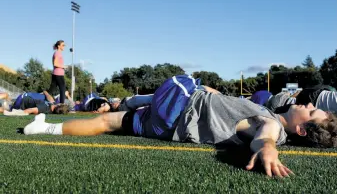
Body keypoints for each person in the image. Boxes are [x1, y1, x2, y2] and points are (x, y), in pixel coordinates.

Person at [22, 75, 336, 178]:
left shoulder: (276, 129)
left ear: (302, 131)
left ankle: (131, 100)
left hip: (181, 107)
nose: (308, 105)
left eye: (312, 112)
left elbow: (265, 134)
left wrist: (267, 149)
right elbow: (229, 105)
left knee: (184, 81)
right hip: (169, 128)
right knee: (107, 123)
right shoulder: (268, 112)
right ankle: (43, 128)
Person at [4, 90, 69, 115]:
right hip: (23, 98)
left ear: (59, 105)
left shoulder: (46, 108)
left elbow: (30, 110)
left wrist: (15, 113)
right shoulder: (52, 103)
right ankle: (8, 104)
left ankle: (7, 105)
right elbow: (45, 92)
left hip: (22, 100)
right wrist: (43, 93)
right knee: (8, 106)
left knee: (7, 107)